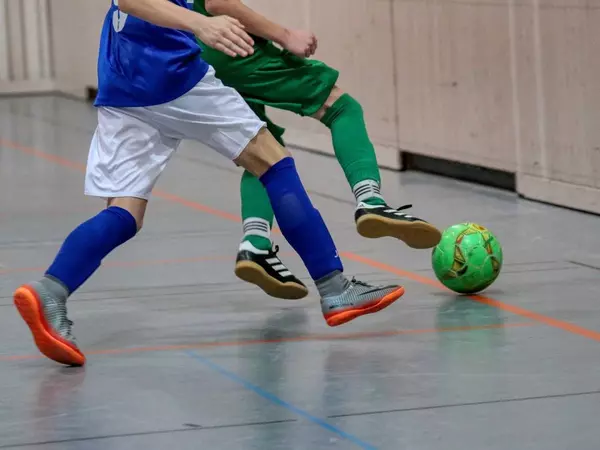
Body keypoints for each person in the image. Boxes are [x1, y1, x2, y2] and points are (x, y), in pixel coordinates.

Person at [13, 0, 407, 367]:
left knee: (125, 213)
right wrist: (201, 23)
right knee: (273, 162)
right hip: (171, 76)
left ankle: (51, 291)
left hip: (122, 81)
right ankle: (334, 287)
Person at [193, 0, 442, 300]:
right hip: (231, 45)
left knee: (262, 151)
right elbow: (218, 3)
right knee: (341, 108)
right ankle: (370, 199)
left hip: (198, 53)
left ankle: (256, 243)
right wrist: (285, 35)